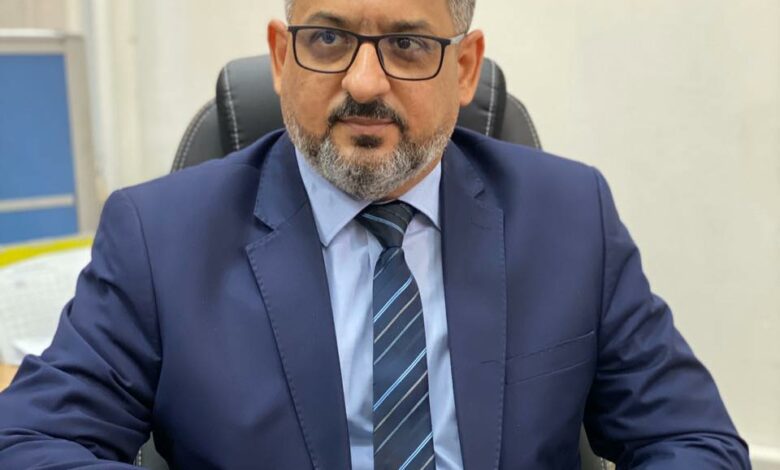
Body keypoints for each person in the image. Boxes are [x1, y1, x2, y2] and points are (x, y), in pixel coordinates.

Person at [0, 0, 750, 468]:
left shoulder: (569, 217)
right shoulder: (159, 237)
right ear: (281, 57)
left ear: (465, 68)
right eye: (328, 38)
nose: (363, 82)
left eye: (408, 45)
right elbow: (34, 441)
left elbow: (693, 442)